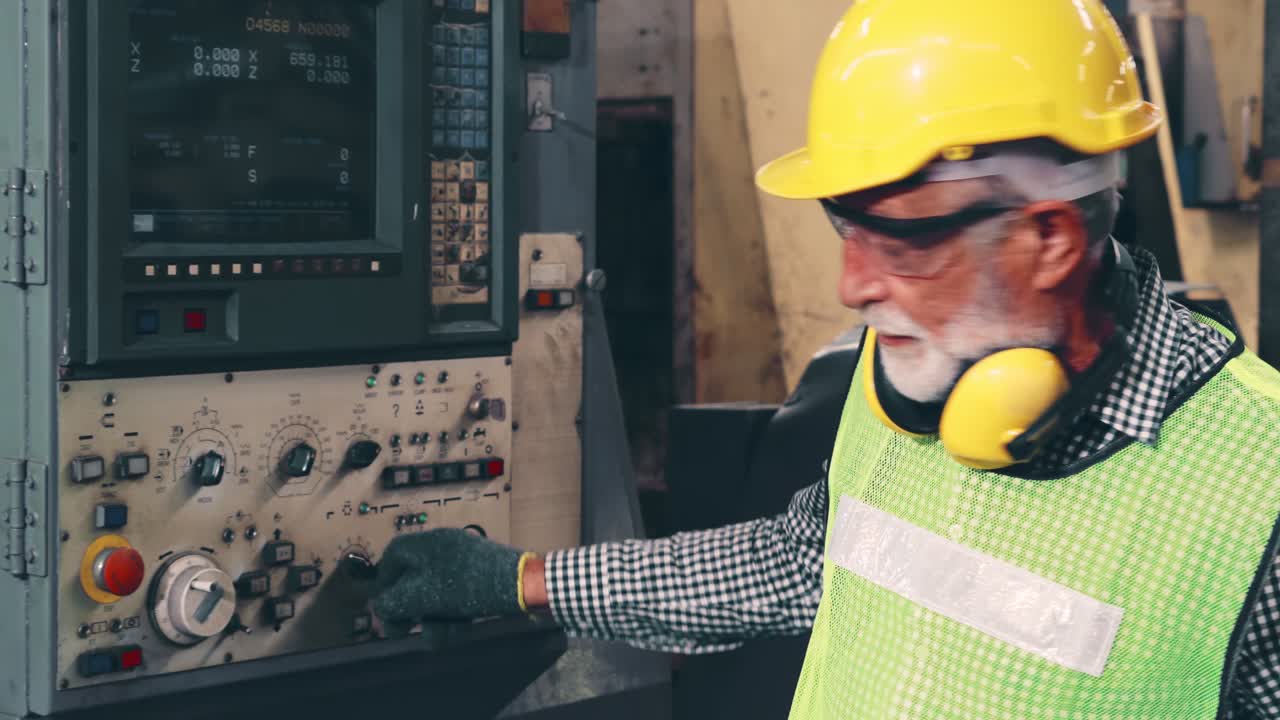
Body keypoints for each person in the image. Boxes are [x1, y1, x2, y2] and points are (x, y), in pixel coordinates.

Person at [372, 1, 1280, 716]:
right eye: (842, 226)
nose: (851, 285)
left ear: (1046, 237)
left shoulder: (1256, 487)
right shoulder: (906, 377)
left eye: (894, 239)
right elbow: (800, 563)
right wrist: (525, 580)